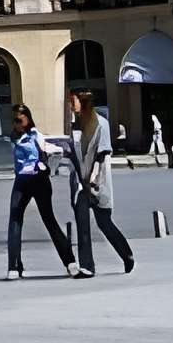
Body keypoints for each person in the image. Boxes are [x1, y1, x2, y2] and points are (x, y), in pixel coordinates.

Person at [65, 90, 134, 276]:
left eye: (74, 101)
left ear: (84, 102)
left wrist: (93, 179)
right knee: (82, 223)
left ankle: (126, 254)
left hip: (97, 182)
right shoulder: (73, 126)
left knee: (104, 222)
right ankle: (87, 266)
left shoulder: (100, 124)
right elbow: (71, 151)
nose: (71, 105)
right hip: (80, 183)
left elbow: (102, 154)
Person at [4, 104, 74, 280]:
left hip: (39, 180)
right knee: (15, 219)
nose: (16, 124)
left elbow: (49, 148)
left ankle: (70, 261)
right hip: (22, 181)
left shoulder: (36, 135)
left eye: (19, 120)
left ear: (27, 119)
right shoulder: (14, 137)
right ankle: (13, 265)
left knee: (48, 219)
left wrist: (60, 151)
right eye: (13, 121)